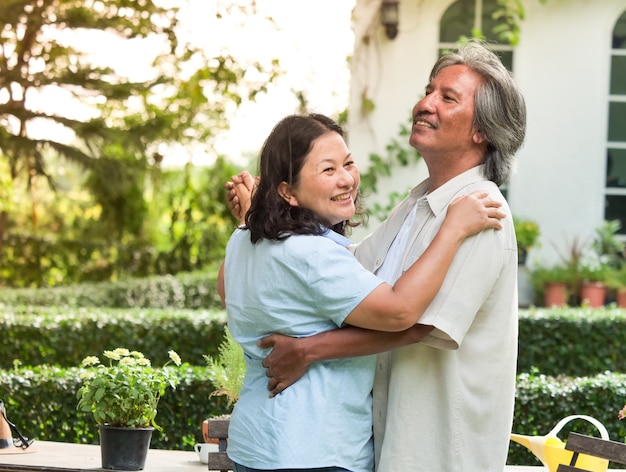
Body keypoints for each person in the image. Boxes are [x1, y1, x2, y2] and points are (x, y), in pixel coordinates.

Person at [226, 39, 526, 472]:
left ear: (482, 130)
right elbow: (346, 267)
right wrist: (264, 219)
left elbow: (416, 323)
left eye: (447, 97)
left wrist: (310, 349)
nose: (425, 104)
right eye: (428, 90)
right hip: (387, 441)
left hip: (438, 449)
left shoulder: (482, 211)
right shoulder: (420, 201)